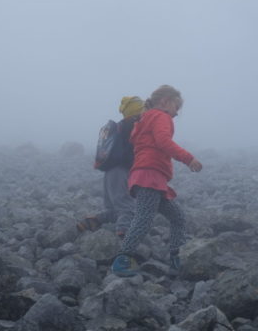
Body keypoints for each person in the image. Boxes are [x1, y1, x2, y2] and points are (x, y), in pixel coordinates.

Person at [111, 85, 203, 277]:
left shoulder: (143, 120)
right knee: (143, 218)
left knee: (177, 217)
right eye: (176, 107)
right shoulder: (161, 117)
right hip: (150, 174)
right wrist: (188, 158)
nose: (176, 113)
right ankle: (122, 260)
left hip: (149, 176)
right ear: (165, 101)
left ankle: (176, 258)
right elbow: (163, 142)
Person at [77, 96, 144, 237]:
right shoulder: (133, 125)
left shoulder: (121, 126)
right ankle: (124, 237)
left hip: (110, 171)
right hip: (121, 172)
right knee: (127, 208)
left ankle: (93, 221)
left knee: (114, 208)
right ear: (137, 112)